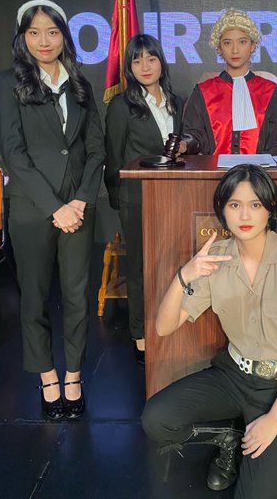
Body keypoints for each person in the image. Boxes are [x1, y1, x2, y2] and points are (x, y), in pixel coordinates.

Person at [141, 164, 277, 498]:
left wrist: (274, 419)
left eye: (255, 205)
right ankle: (229, 439)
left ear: (270, 210)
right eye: (234, 204)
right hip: (234, 376)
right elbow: (163, 327)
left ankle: (262, 435)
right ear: (222, 210)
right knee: (156, 418)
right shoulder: (216, 259)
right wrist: (184, 275)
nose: (244, 215)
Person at [0, 0, 105, 420]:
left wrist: (80, 200)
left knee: (77, 297)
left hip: (79, 208)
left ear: (64, 37)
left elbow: (96, 149)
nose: (44, 40)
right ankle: (48, 377)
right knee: (35, 297)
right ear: (22, 37)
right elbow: (14, 154)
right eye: (34, 32)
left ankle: (73, 375)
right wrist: (55, 207)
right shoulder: (8, 83)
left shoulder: (80, 83)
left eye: (52, 32)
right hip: (33, 209)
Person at [104, 34, 184, 362]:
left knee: (174, 264)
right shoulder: (121, 106)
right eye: (137, 60)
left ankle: (171, 327)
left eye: (151, 58)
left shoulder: (178, 102)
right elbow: (113, 156)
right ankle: (140, 334)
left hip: (176, 197)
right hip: (136, 198)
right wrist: (119, 198)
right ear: (129, 67)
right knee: (139, 268)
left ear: (161, 62)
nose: (145, 66)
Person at [182, 9, 277, 155]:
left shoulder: (270, 91)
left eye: (242, 42)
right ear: (219, 47)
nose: (235, 50)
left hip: (259, 169)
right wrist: (185, 144)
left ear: (253, 45)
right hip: (215, 169)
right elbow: (194, 135)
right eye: (227, 43)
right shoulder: (203, 91)